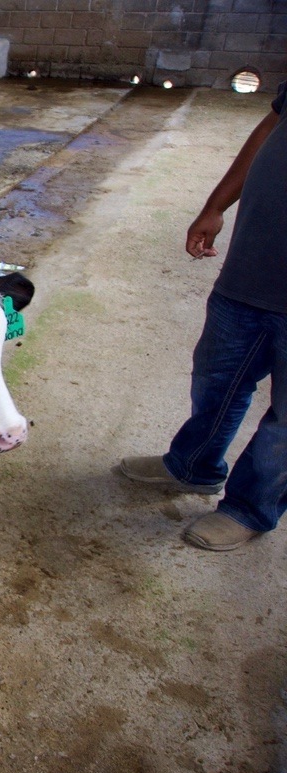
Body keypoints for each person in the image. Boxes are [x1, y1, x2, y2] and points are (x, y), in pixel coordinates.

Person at [119, 79, 287, 551]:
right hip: (250, 271)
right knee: (217, 378)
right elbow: (274, 123)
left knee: (285, 425)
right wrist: (215, 205)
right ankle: (193, 465)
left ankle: (249, 508)